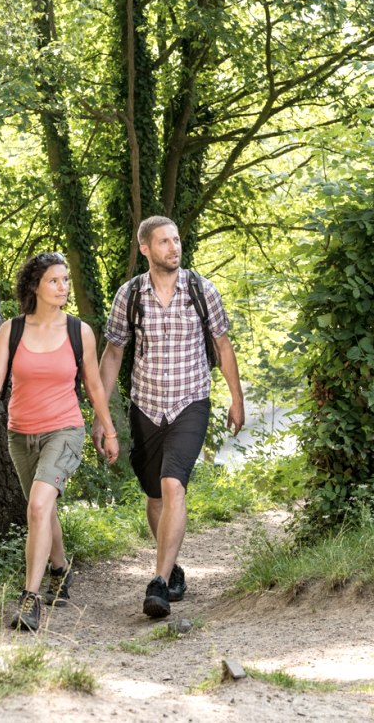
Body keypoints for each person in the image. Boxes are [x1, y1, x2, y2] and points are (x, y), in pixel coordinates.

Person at [95, 216, 244, 618]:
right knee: (155, 495)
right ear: (146, 248)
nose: (173, 247)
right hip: (145, 405)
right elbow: (112, 354)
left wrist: (236, 398)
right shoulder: (130, 296)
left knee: (173, 483)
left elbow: (222, 345)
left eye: (177, 240)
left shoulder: (201, 290)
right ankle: (172, 565)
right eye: (164, 241)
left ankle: (158, 582)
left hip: (190, 401)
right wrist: (101, 412)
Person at [0, 252, 119, 632]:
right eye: (55, 280)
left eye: (66, 280)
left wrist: (108, 429)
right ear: (35, 286)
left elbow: (94, 384)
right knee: (44, 508)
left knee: (38, 505)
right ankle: (60, 568)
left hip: (65, 430)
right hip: (21, 435)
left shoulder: (78, 332)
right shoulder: (12, 330)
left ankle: (30, 599)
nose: (64, 287)